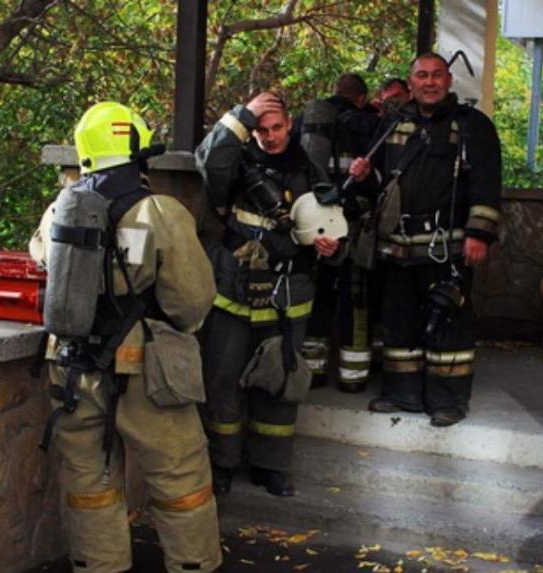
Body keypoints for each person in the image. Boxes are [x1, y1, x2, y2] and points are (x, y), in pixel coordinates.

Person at [29, 102, 222, 572]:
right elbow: (192, 301)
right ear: (137, 151)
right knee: (180, 479)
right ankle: (193, 565)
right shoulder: (159, 212)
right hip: (147, 372)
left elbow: (41, 258)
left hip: (73, 369)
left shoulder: (59, 210)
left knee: (89, 482)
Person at [196, 91, 341, 497]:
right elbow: (208, 161)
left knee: (281, 381)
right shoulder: (236, 165)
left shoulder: (310, 169)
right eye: (262, 129)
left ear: (290, 124)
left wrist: (332, 246)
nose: (271, 136)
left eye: (278, 127)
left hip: (288, 293)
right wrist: (241, 117)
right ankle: (221, 463)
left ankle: (271, 466)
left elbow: (334, 223)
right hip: (236, 290)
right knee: (223, 378)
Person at [349, 53, 503, 427]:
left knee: (448, 321)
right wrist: (364, 175)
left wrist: (479, 233)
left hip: (447, 246)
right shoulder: (392, 123)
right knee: (398, 321)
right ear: (411, 82)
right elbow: (380, 185)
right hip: (397, 246)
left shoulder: (472, 126)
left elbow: (487, 183)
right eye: (422, 75)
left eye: (436, 75)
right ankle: (401, 393)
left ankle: (448, 400)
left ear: (448, 80)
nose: (429, 82)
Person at [299, 72, 381, 393]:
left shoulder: (306, 123)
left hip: (314, 226)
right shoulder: (368, 124)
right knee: (356, 300)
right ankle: (353, 376)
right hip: (353, 228)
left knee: (316, 297)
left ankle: (313, 372)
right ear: (361, 98)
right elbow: (382, 180)